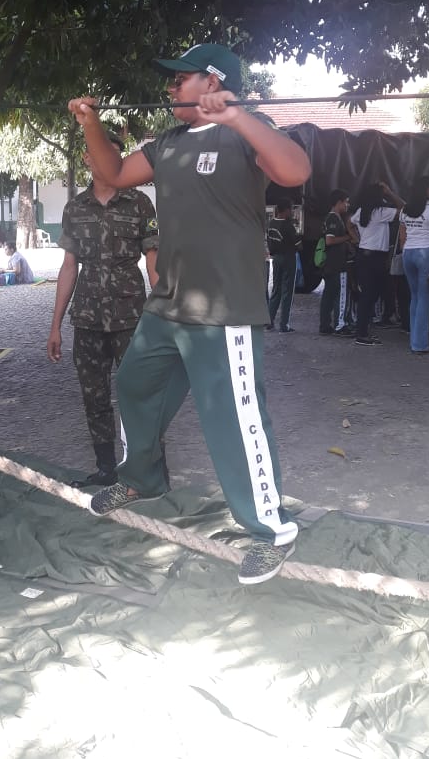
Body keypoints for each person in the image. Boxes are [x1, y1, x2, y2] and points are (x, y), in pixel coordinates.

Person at [68, 42, 311, 585]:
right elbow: (113, 173)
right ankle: (143, 478)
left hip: (224, 306)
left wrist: (238, 116)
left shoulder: (247, 130)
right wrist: (90, 124)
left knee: (233, 419)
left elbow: (295, 171)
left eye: (181, 79)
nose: (170, 87)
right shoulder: (168, 143)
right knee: (134, 384)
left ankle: (272, 530)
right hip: (170, 301)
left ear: (213, 82)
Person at [47, 133, 161, 488]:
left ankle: (145, 471)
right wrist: (55, 325)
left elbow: (154, 263)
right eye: (98, 152)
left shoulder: (140, 203)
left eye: (112, 153)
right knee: (94, 398)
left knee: (140, 395)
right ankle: (106, 469)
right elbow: (69, 267)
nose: (104, 158)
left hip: (132, 319)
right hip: (88, 319)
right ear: (86, 158)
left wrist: (166, 314)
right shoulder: (75, 208)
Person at [350, 181, 405, 345]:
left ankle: (364, 331)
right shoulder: (381, 212)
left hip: (364, 254)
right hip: (376, 257)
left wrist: (357, 239)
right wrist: (390, 192)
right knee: (371, 295)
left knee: (369, 295)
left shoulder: (361, 211)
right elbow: (404, 208)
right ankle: (362, 334)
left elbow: (349, 223)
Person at [400, 176, 429, 354]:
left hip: (408, 253)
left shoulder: (405, 209)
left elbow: (402, 237)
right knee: (425, 297)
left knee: (415, 297)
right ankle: (419, 344)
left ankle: (414, 340)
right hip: (426, 253)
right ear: (425, 188)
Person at [318, 189, 356, 335]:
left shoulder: (332, 217)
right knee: (341, 294)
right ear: (339, 202)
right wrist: (348, 238)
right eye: (346, 202)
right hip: (337, 264)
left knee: (328, 294)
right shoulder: (333, 218)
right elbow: (330, 240)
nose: (348, 205)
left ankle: (325, 326)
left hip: (330, 264)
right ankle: (340, 325)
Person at [266, 198, 302, 332]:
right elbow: (299, 245)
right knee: (287, 292)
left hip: (276, 258)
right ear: (286, 210)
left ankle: (269, 321)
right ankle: (284, 324)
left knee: (276, 289)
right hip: (288, 259)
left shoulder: (271, 223)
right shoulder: (288, 226)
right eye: (291, 209)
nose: (292, 212)